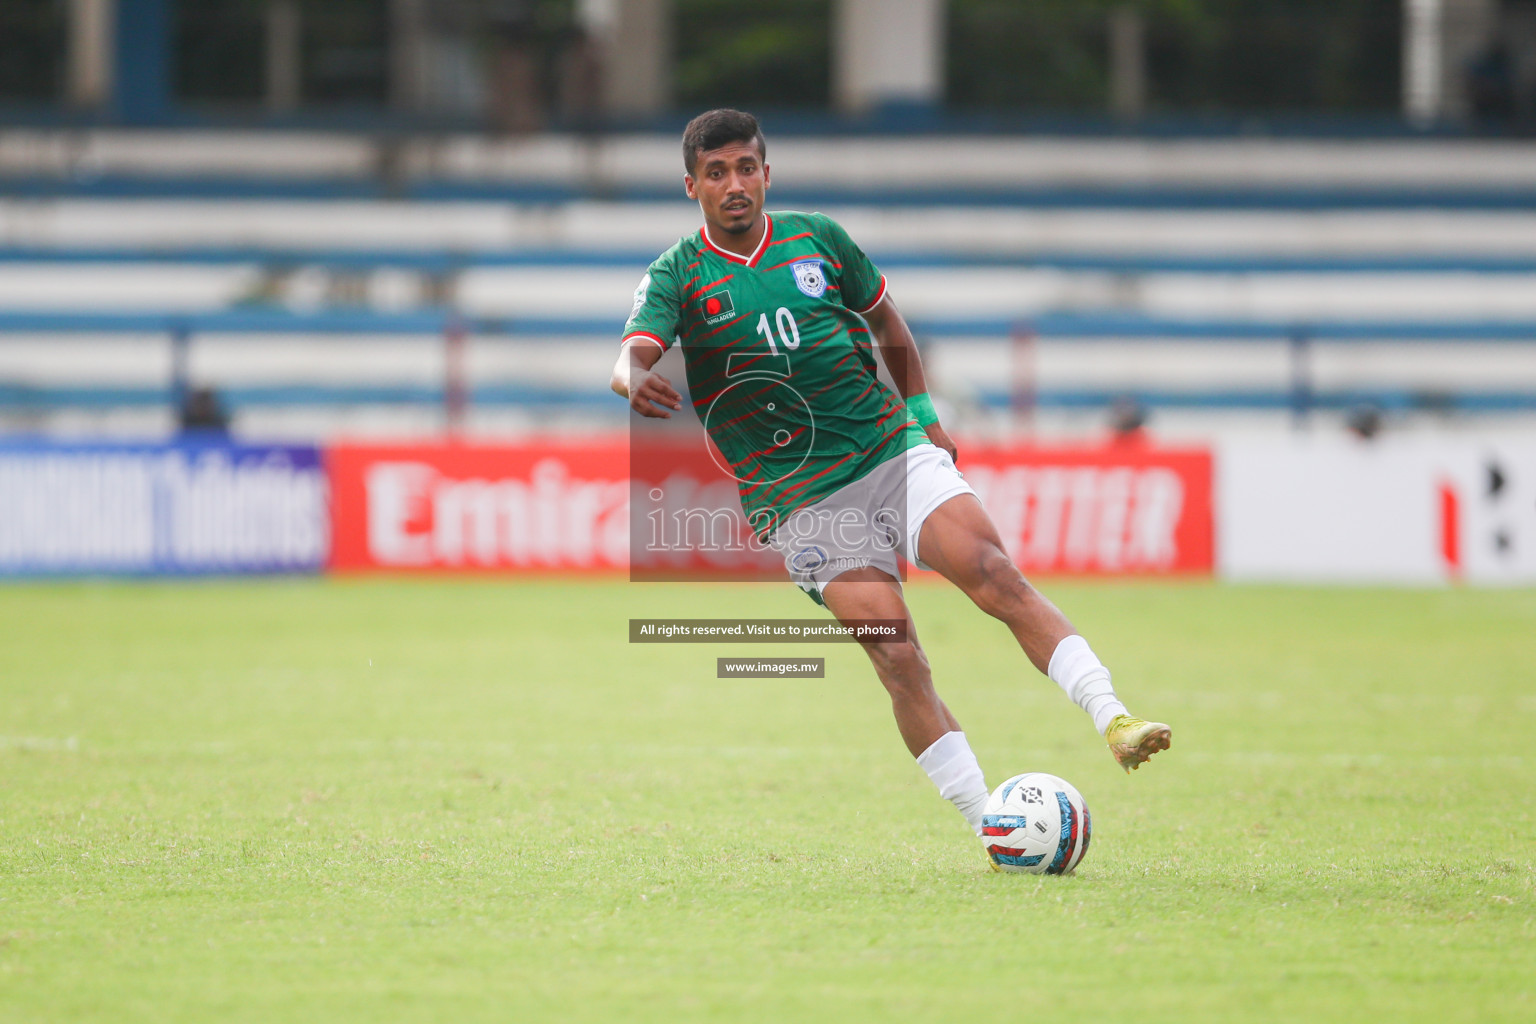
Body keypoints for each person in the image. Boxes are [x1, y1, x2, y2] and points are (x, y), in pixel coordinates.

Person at [610, 109, 1169, 861]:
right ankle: (990, 825)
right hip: (800, 499)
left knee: (993, 573)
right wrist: (633, 378)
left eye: (746, 168)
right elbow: (631, 352)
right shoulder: (679, 273)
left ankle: (1116, 719)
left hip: (887, 448)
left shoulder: (819, 239)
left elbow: (887, 323)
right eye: (717, 173)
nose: (734, 184)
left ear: (766, 174)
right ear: (692, 186)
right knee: (896, 652)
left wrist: (925, 413)